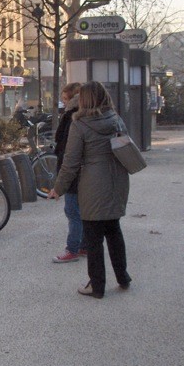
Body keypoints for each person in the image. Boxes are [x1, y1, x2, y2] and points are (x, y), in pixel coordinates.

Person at [47, 81, 131, 299]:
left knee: (93, 239)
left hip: (93, 185)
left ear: (84, 100)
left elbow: (71, 162)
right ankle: (123, 277)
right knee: (114, 231)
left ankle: (97, 285)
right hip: (116, 181)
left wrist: (58, 188)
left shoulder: (80, 124)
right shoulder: (115, 119)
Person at [51, 82, 86, 263]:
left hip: (74, 172)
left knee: (72, 211)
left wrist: (59, 185)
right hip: (85, 172)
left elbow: (67, 151)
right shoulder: (85, 114)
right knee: (82, 211)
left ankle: (73, 249)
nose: (63, 103)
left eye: (65, 99)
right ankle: (84, 245)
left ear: (73, 98)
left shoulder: (72, 116)